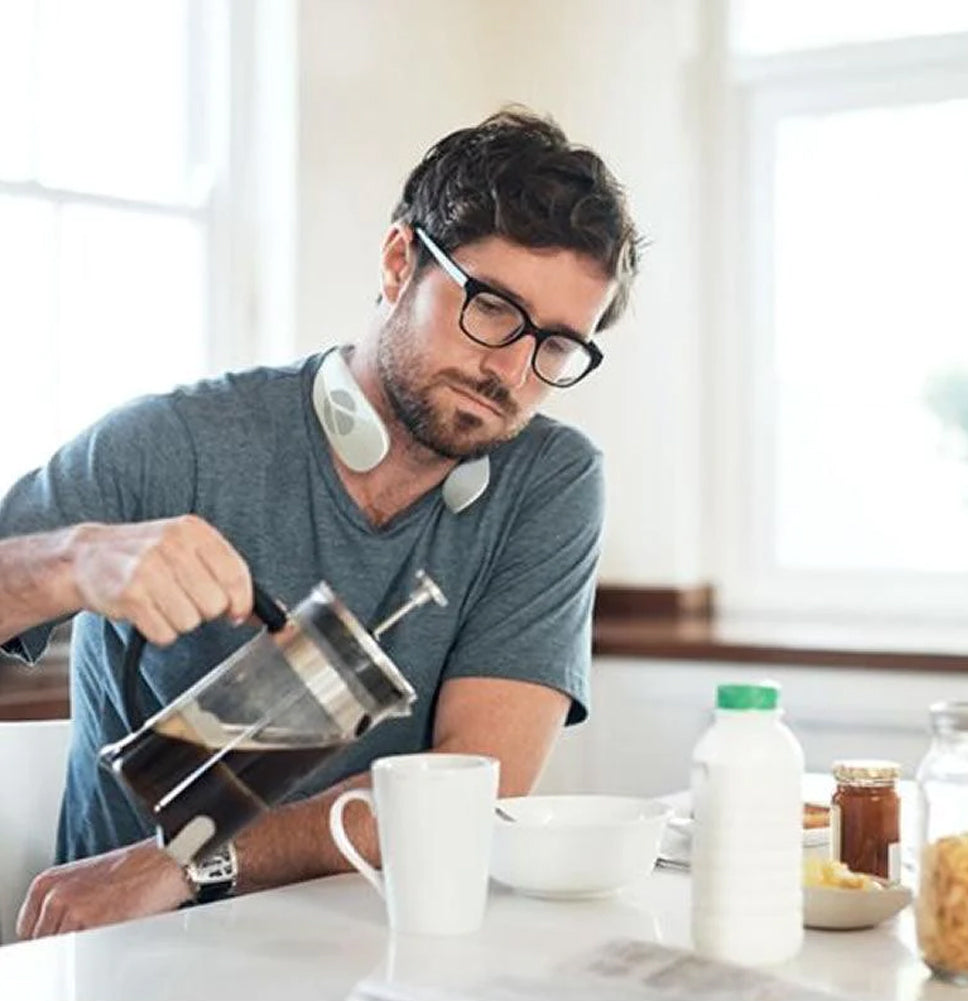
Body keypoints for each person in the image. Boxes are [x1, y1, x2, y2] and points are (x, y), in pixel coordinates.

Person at [0, 107, 640, 938]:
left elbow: (471, 783)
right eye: (490, 308)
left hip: (382, 945)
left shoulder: (551, 479)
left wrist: (193, 863)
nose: (512, 372)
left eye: (556, 346)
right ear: (398, 259)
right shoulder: (173, 442)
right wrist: (72, 560)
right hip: (139, 952)